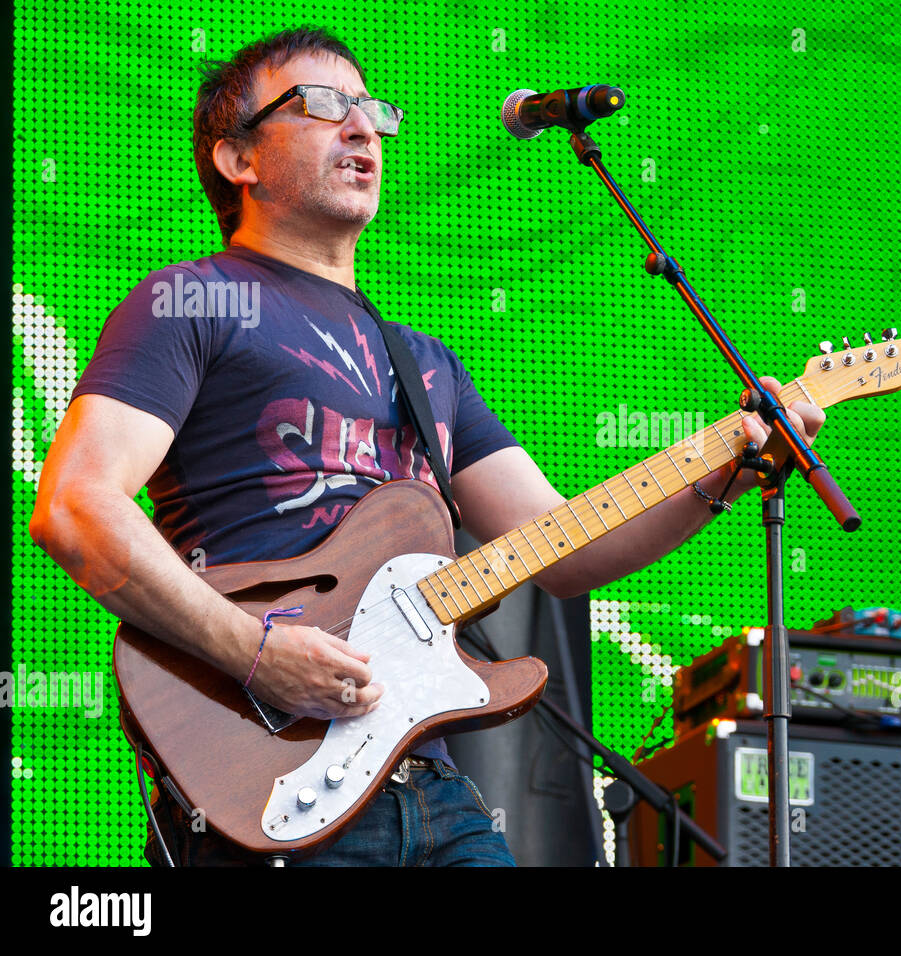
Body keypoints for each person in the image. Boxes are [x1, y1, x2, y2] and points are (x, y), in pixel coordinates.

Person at [28, 26, 823, 867]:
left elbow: (560, 545)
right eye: (325, 106)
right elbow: (78, 506)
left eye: (372, 109)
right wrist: (259, 654)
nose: (364, 127)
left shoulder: (429, 364)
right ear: (237, 158)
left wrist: (734, 468)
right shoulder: (192, 302)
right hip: (265, 780)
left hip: (433, 789)